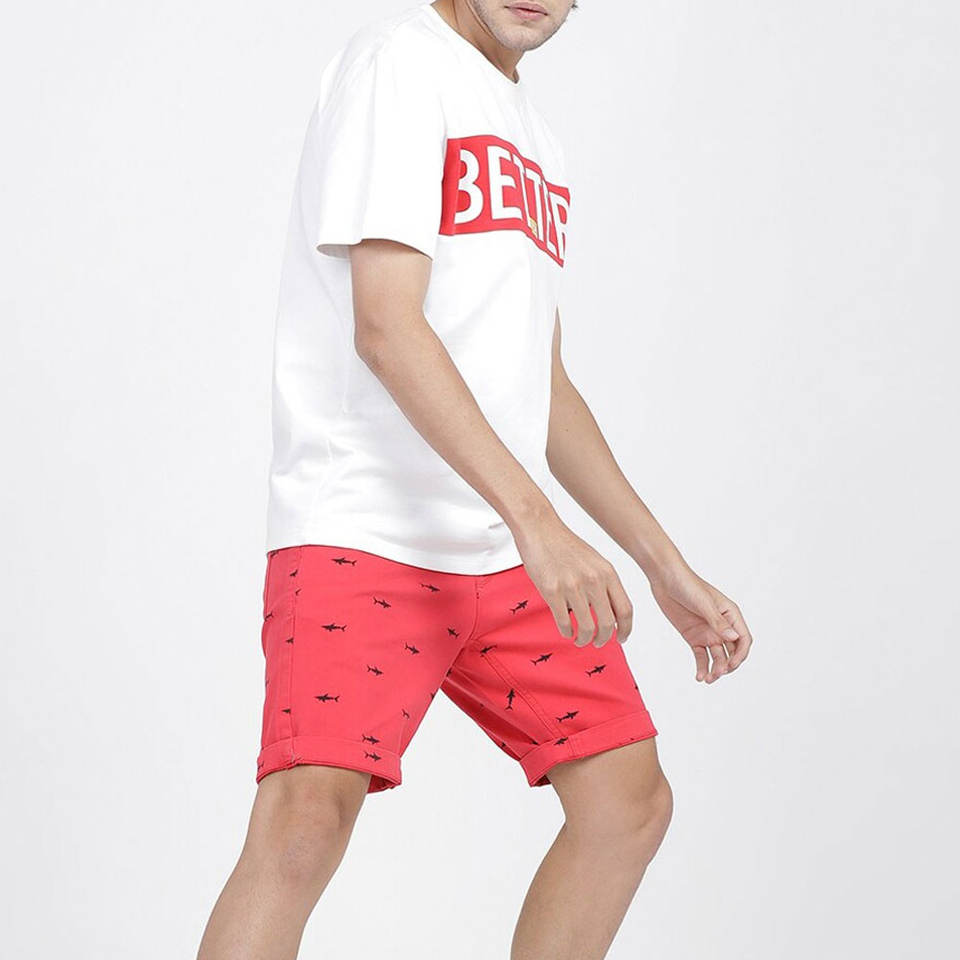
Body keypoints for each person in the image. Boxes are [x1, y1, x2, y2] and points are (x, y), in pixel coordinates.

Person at [197, 2, 754, 958]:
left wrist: (663, 565)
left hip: (501, 547)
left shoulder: (534, 138)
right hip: (365, 525)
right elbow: (385, 324)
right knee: (303, 825)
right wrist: (541, 525)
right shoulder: (399, 66)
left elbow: (542, 381)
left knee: (626, 802)